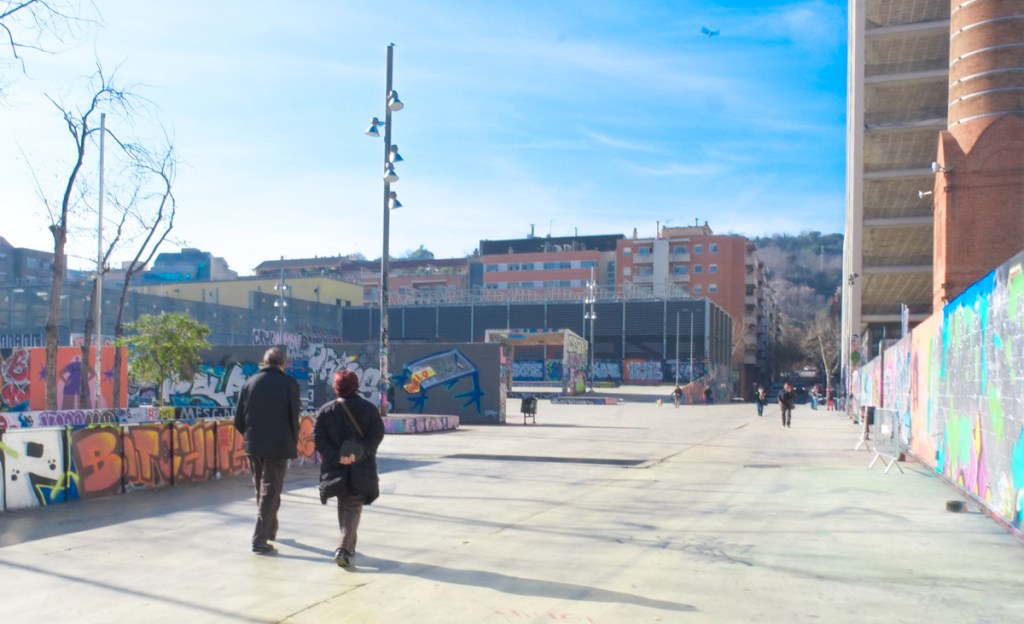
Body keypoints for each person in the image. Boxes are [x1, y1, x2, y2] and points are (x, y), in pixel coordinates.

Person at [314, 369, 385, 568]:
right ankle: (343, 549)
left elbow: (318, 439)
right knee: (352, 507)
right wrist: (358, 453)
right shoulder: (369, 409)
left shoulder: (326, 411)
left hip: (335, 468)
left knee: (345, 504)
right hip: (361, 467)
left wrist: (338, 457)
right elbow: (377, 434)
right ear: (357, 386)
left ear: (336, 387)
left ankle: (348, 546)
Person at [233, 347, 301, 554]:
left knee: (262, 490)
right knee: (271, 491)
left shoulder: (249, 383)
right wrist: (292, 441)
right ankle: (259, 539)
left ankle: (270, 529)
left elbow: (238, 419)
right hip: (278, 446)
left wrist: (251, 436)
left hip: (254, 446)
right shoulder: (289, 384)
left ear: (264, 362)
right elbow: (293, 418)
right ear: (284, 363)